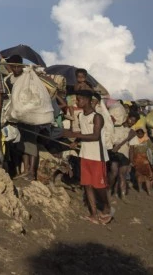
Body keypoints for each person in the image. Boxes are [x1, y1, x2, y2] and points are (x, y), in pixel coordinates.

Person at [62, 89, 112, 224]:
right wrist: (76, 142)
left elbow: (95, 136)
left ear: (89, 100)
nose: (78, 102)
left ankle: (107, 207)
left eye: (80, 99)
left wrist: (75, 136)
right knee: (87, 185)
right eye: (77, 99)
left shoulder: (97, 117)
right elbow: (84, 132)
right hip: (85, 154)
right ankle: (94, 214)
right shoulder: (81, 116)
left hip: (97, 156)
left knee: (99, 186)